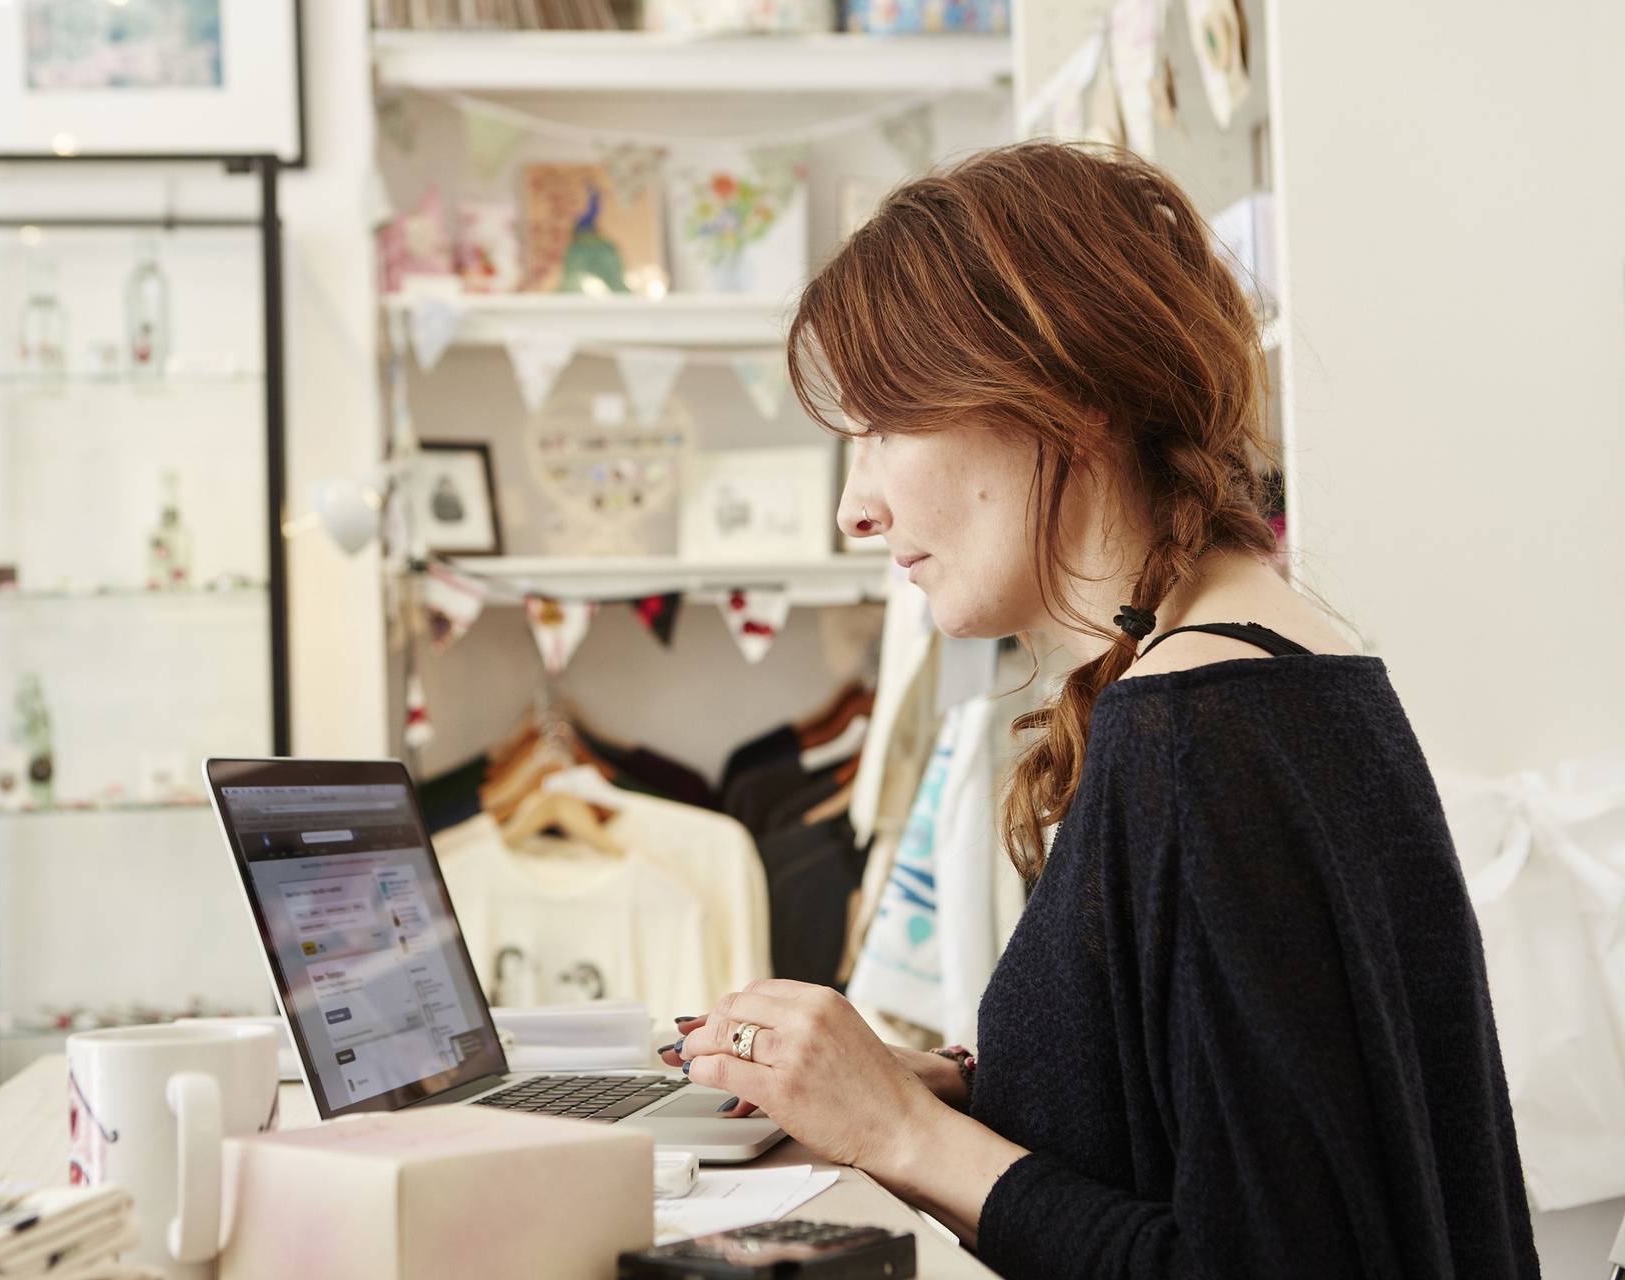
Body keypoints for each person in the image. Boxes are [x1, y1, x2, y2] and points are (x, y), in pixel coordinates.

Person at [658, 142, 1537, 1277]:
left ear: (1062, 405)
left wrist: (906, 1135)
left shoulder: (1202, 730)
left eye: (884, 428)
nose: (855, 507)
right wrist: (964, 1088)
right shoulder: (1273, 664)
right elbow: (1223, 1119)